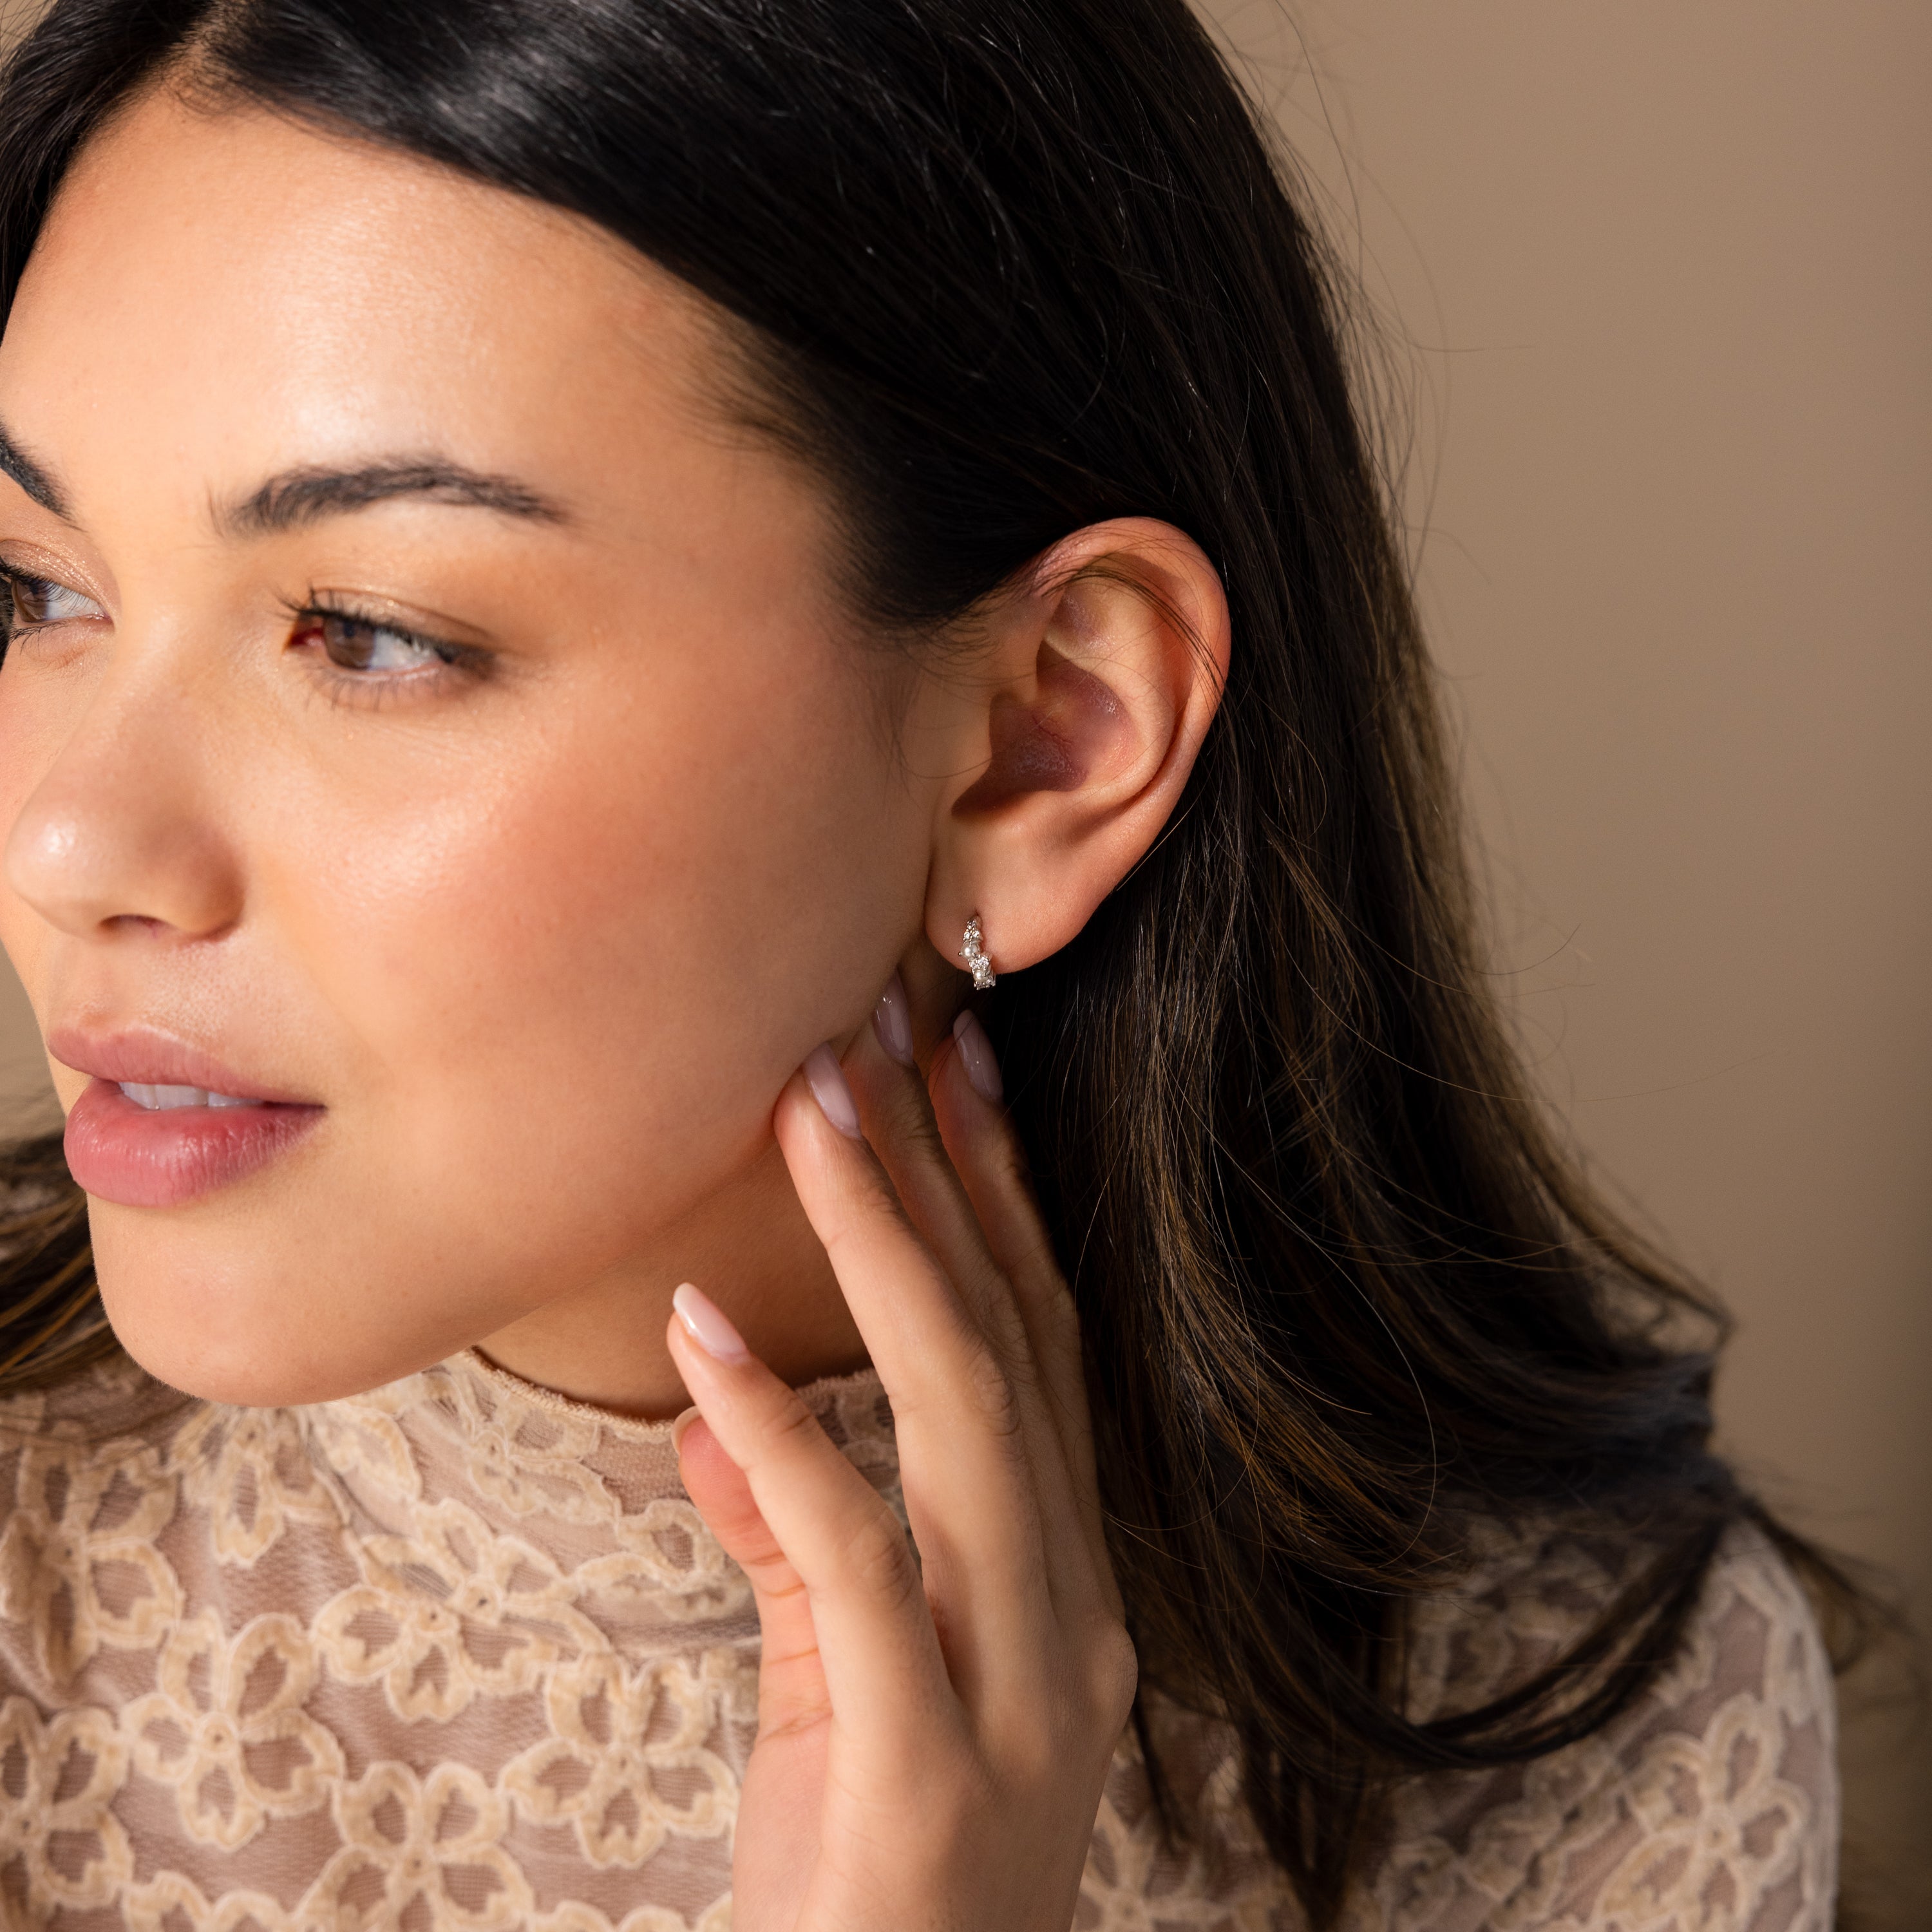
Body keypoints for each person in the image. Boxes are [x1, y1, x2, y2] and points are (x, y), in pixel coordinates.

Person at [0, 1, 1853, 1926]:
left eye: (371, 633)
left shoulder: (1586, 1742)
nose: (66, 844)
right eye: (41, 589)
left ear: (1046, 735)